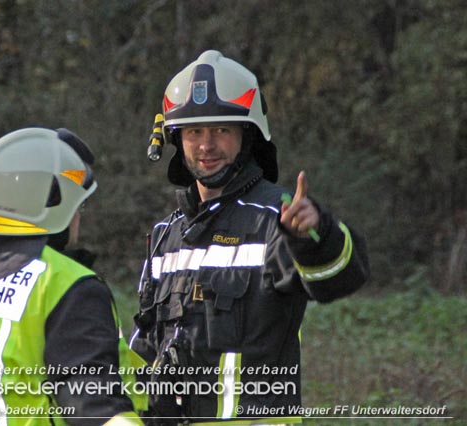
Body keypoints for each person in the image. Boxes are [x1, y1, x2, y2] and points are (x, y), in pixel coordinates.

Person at [131, 50, 370, 424]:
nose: (206, 145)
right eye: (194, 131)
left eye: (221, 130)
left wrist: (315, 235)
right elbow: (144, 349)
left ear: (248, 136)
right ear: (177, 139)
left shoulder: (279, 218)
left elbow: (340, 278)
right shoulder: (166, 235)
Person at [0, 127, 146, 425]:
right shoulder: (67, 285)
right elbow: (91, 404)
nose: (80, 216)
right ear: (53, 205)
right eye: (79, 206)